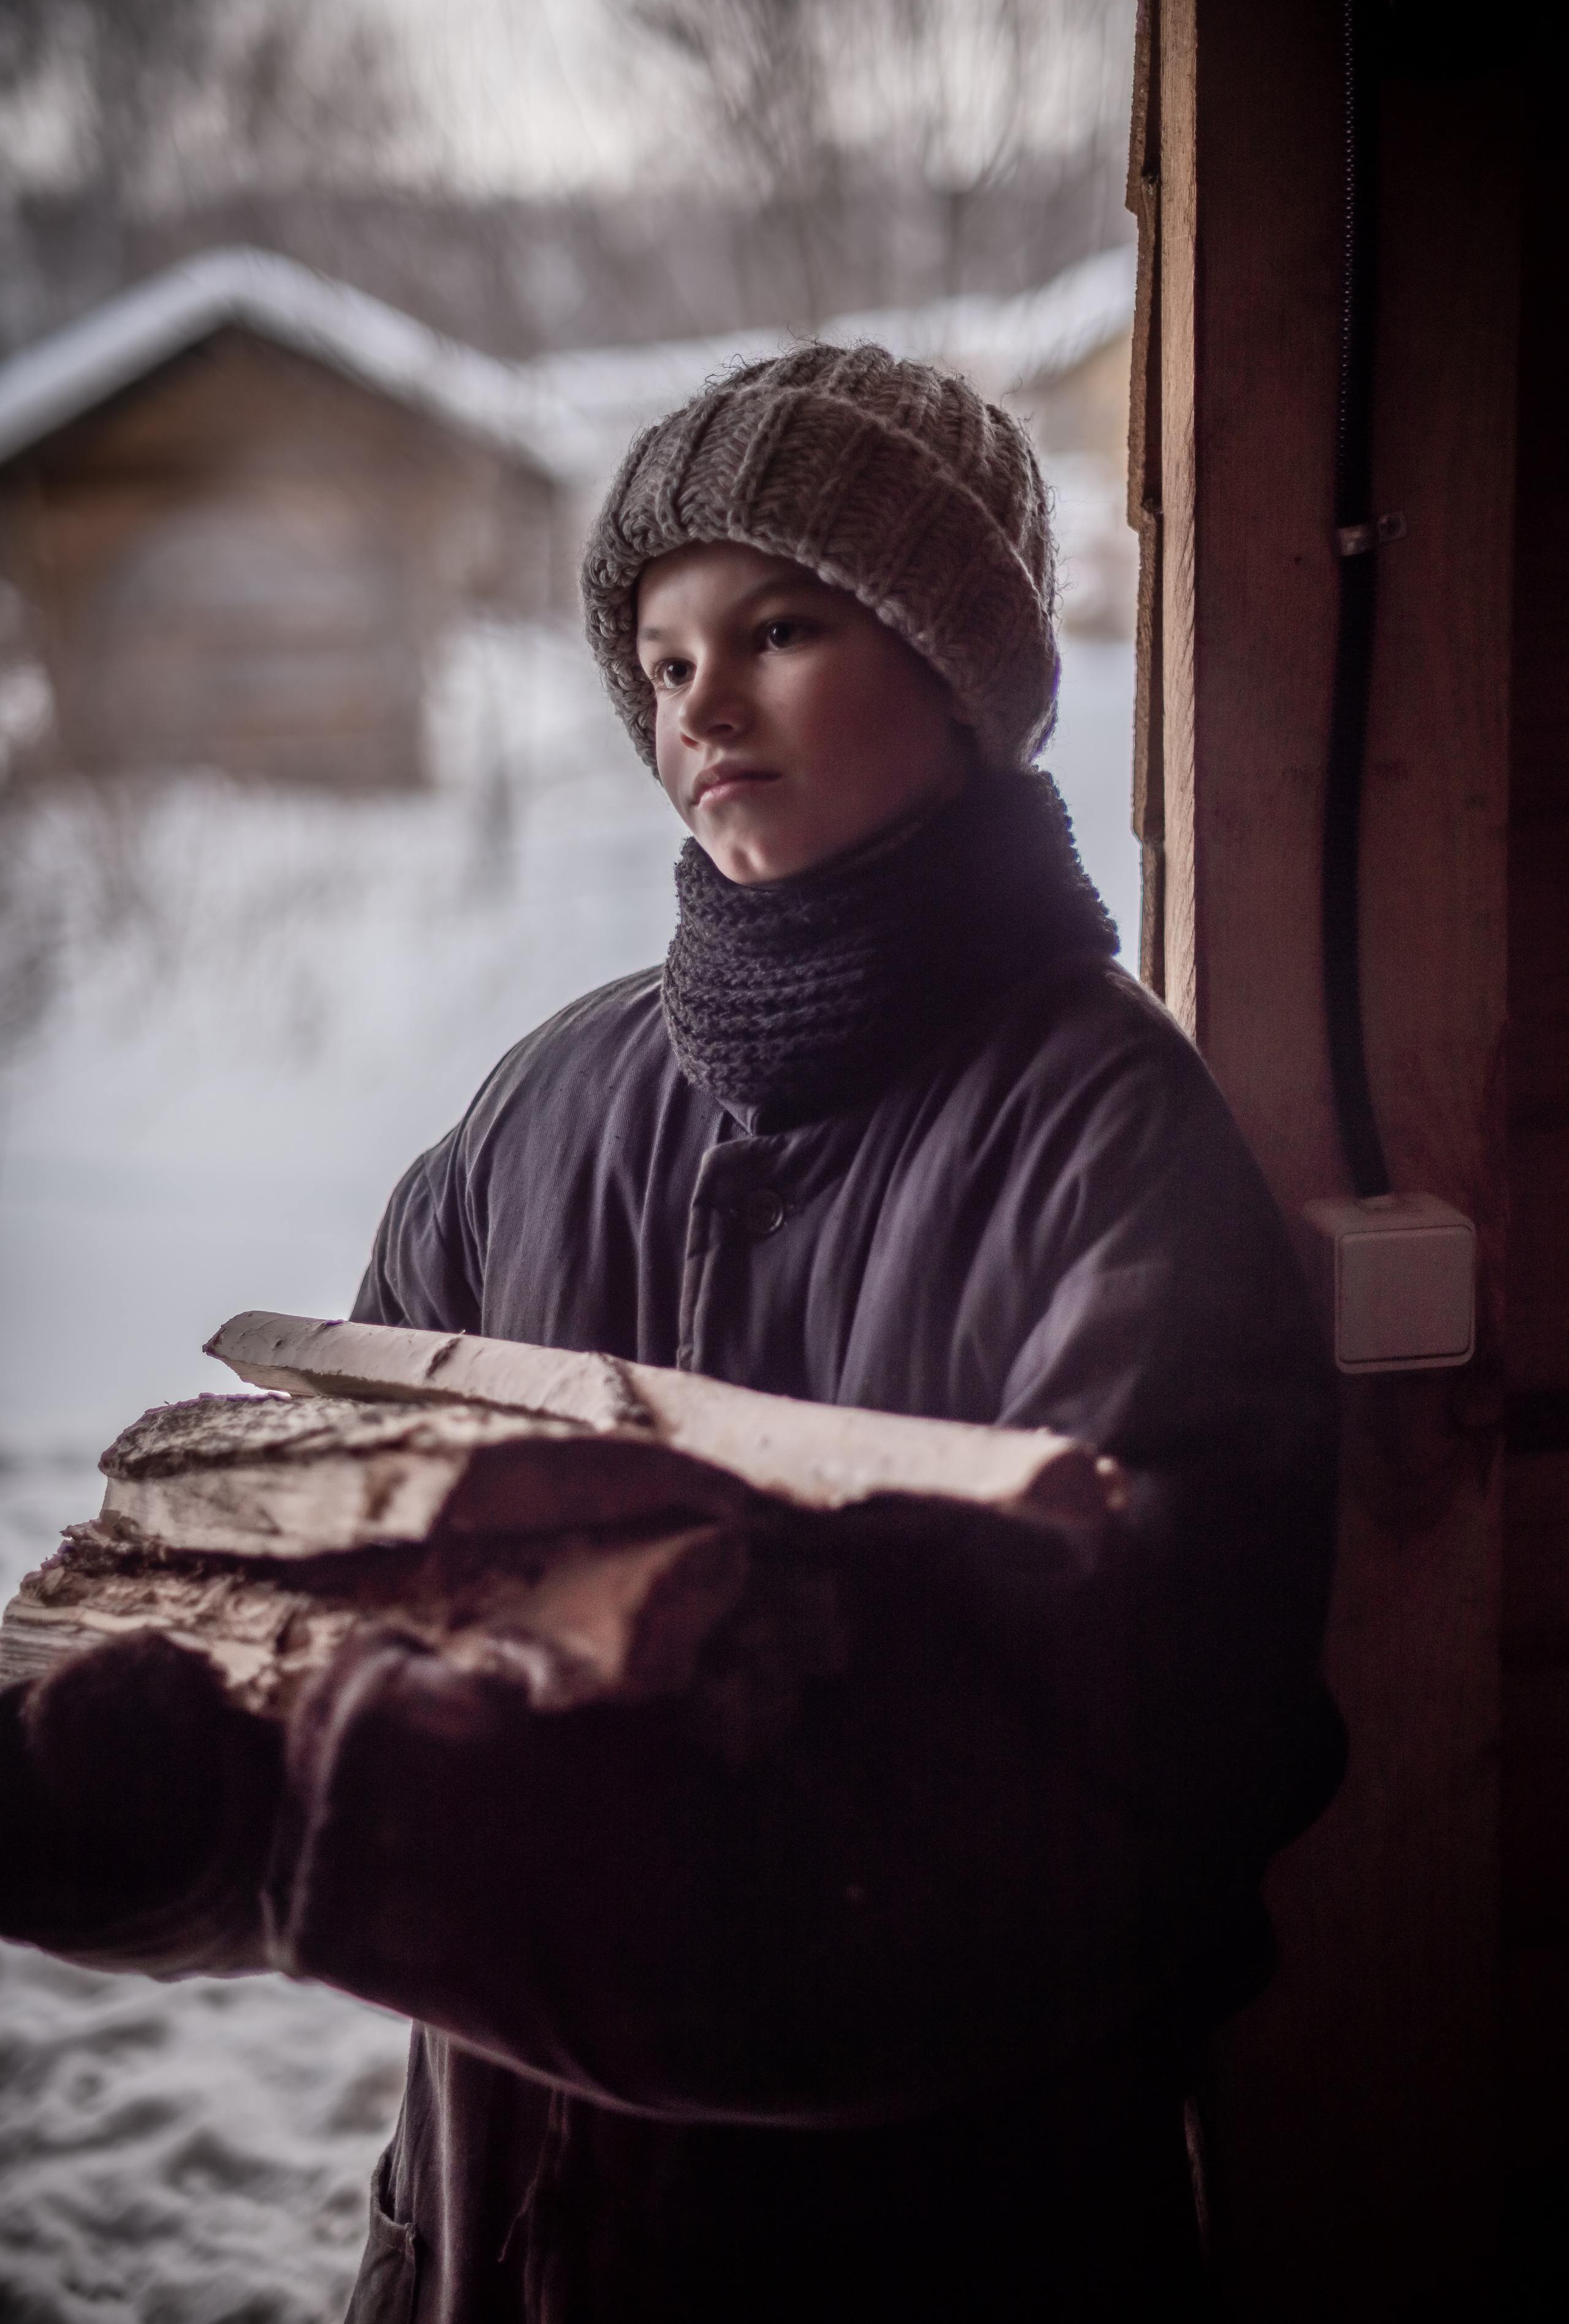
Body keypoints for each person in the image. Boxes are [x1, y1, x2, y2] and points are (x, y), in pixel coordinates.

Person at [0, 344, 1343, 2322]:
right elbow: (344, 1584)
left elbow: (1114, 1781)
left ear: (961, 672)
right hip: (495, 2232)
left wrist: (319, 1832)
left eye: (778, 624)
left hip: (947, 2248)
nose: (699, 695)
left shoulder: (1111, 1140)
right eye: (660, 653)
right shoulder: (542, 1107)